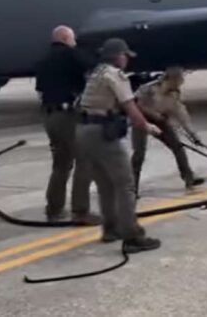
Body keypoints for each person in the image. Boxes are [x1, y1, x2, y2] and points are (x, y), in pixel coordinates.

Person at [76, 38, 163, 252]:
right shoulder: (115, 76)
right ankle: (132, 236)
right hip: (102, 133)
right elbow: (132, 110)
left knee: (105, 185)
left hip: (84, 131)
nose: (126, 60)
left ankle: (110, 229)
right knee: (125, 185)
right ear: (118, 57)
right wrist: (149, 128)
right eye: (125, 55)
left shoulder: (95, 74)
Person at [34, 25, 100, 225]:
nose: (75, 42)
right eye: (73, 39)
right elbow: (93, 66)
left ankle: (54, 209)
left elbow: (40, 89)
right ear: (65, 38)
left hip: (49, 116)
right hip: (67, 116)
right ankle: (81, 211)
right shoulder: (71, 55)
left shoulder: (43, 60)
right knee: (84, 161)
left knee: (61, 164)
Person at [132, 67, 207, 193]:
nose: (182, 82)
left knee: (177, 146)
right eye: (180, 79)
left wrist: (193, 135)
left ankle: (189, 177)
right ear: (171, 79)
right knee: (139, 153)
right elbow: (136, 104)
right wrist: (153, 114)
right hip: (141, 119)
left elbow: (181, 114)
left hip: (160, 120)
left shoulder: (174, 93)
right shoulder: (149, 89)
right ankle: (132, 187)